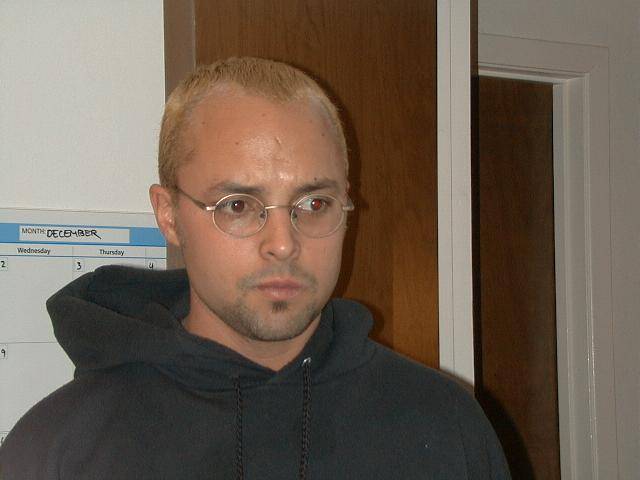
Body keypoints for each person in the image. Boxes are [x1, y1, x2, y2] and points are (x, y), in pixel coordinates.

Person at [0, 57, 510, 479]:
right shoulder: (58, 449)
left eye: (314, 204)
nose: (284, 244)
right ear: (169, 215)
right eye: (239, 206)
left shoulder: (445, 425)